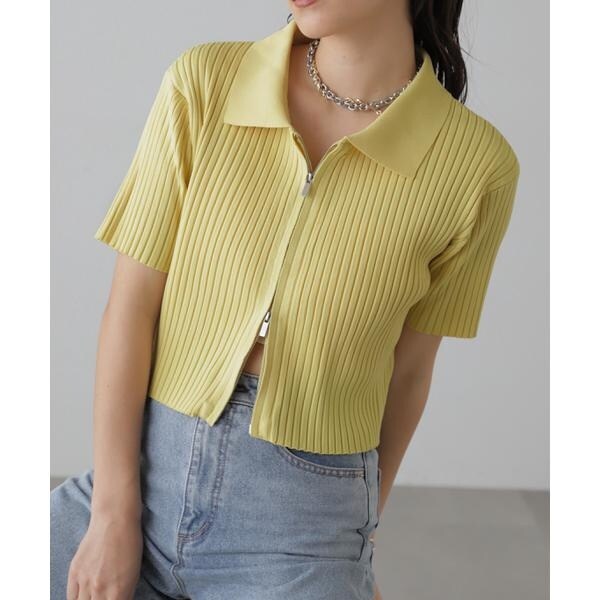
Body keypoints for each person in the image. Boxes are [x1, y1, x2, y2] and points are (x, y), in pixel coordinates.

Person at [51, 1, 520, 599]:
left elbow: (409, 372)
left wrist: (353, 545)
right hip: (139, 477)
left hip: (303, 528)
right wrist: (112, 515)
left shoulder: (476, 167)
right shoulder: (205, 82)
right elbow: (132, 304)